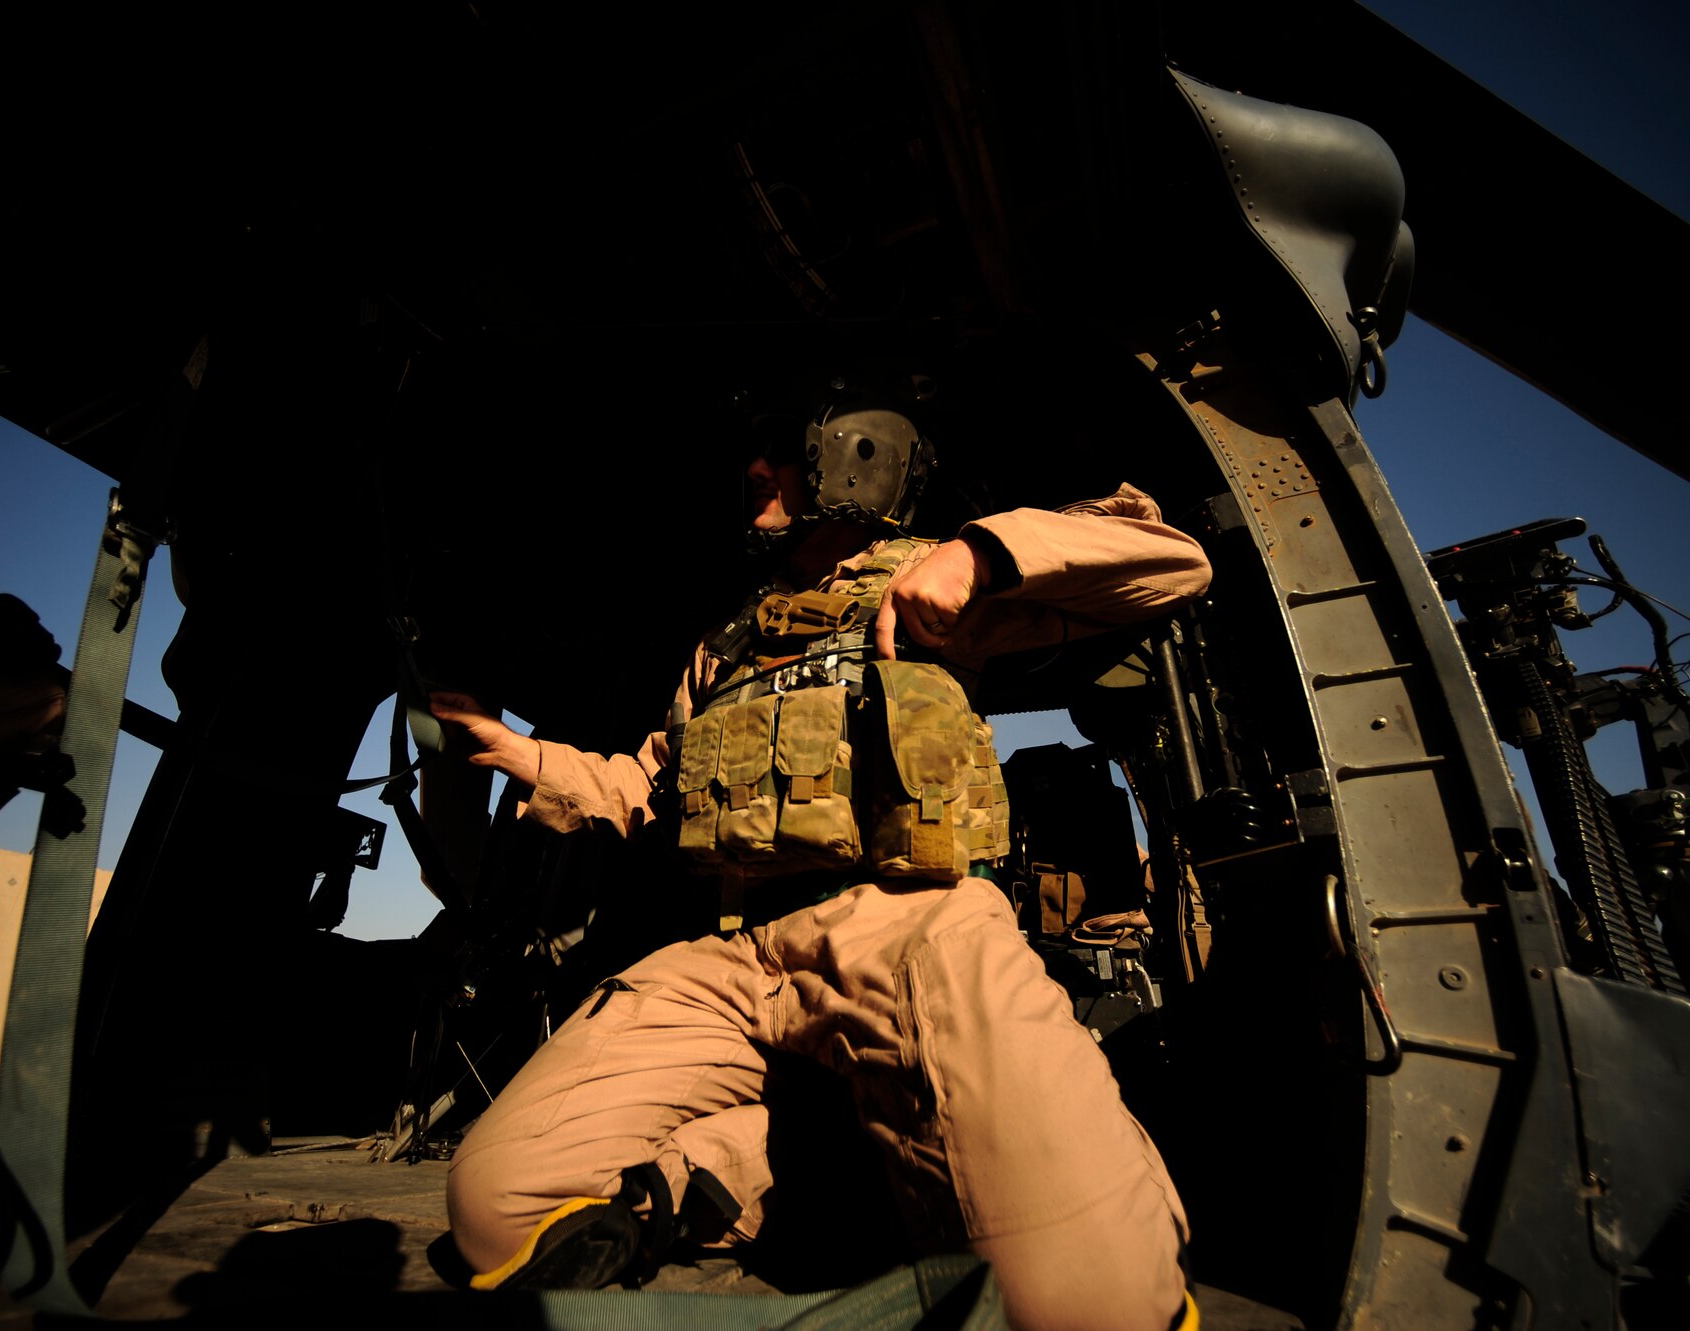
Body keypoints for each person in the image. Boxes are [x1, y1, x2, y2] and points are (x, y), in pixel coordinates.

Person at [425, 375, 1211, 1331]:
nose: (755, 469)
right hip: (731, 954)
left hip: (908, 920)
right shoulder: (723, 643)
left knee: (1096, 1305)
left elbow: (1171, 562)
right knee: (494, 1209)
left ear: (855, 456)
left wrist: (981, 554)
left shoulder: (936, 579)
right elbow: (643, 790)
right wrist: (522, 756)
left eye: (781, 448)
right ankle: (767, 1162)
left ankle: (938, 1157)